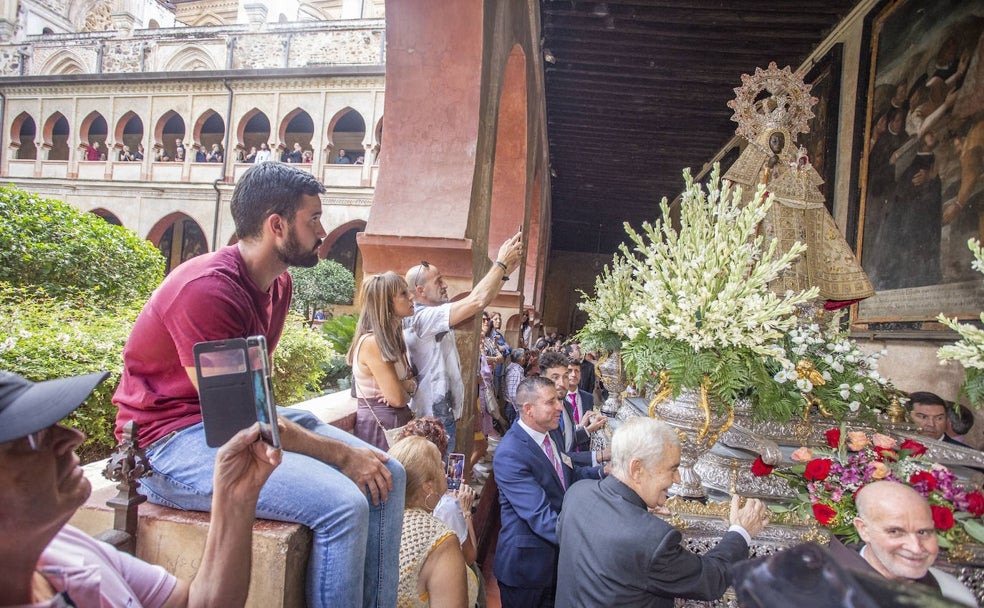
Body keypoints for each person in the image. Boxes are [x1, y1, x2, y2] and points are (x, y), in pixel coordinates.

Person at [112, 161, 405, 608]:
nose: (323, 230)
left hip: (230, 426)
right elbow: (241, 420)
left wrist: (346, 455)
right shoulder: (208, 289)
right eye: (313, 219)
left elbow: (256, 402)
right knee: (344, 506)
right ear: (276, 225)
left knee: (390, 473)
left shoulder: (278, 284)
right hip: (167, 444)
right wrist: (343, 454)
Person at [0, 369, 282, 607]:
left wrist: (235, 497)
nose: (73, 437)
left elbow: (196, 602)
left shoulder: (65, 547)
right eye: (33, 435)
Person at [556, 417, 770, 608]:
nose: (677, 479)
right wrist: (741, 532)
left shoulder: (577, 493)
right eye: (672, 468)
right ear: (637, 469)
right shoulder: (651, 538)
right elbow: (711, 579)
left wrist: (636, 509)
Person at [403, 231, 523, 454]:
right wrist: (501, 264)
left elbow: (482, 299)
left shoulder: (433, 314)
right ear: (419, 290)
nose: (445, 284)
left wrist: (504, 273)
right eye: (438, 280)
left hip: (441, 414)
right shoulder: (421, 319)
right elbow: (477, 301)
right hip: (431, 417)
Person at [493, 376, 603, 607]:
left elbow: (567, 476)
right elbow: (541, 517)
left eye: (558, 400)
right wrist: (593, 542)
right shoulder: (510, 454)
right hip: (527, 569)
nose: (559, 407)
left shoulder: (551, 433)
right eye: (551, 402)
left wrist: (605, 473)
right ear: (528, 409)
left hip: (554, 563)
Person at [827, 481, 977, 606]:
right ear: (864, 530)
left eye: (923, 532)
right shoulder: (821, 589)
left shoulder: (953, 592)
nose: (916, 548)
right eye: (895, 532)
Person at [388, 436, 474, 608]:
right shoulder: (440, 540)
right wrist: (466, 513)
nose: (446, 472)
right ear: (428, 486)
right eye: (441, 467)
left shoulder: (380, 520)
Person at [348, 272, 418, 451]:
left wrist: (406, 385)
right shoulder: (373, 343)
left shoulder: (392, 339)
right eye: (403, 293)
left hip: (394, 424)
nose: (411, 296)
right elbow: (397, 399)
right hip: (381, 428)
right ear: (386, 303)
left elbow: (411, 384)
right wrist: (406, 387)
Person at [538, 351, 607, 467]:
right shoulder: (540, 414)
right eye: (555, 377)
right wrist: (600, 455)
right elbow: (559, 456)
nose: (561, 383)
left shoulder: (567, 406)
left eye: (565, 376)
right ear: (542, 378)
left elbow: (568, 441)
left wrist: (587, 429)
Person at [502, 347, 527, 425]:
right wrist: (518, 410)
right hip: (513, 407)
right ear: (522, 359)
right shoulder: (516, 372)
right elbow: (513, 394)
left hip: (512, 406)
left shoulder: (514, 369)